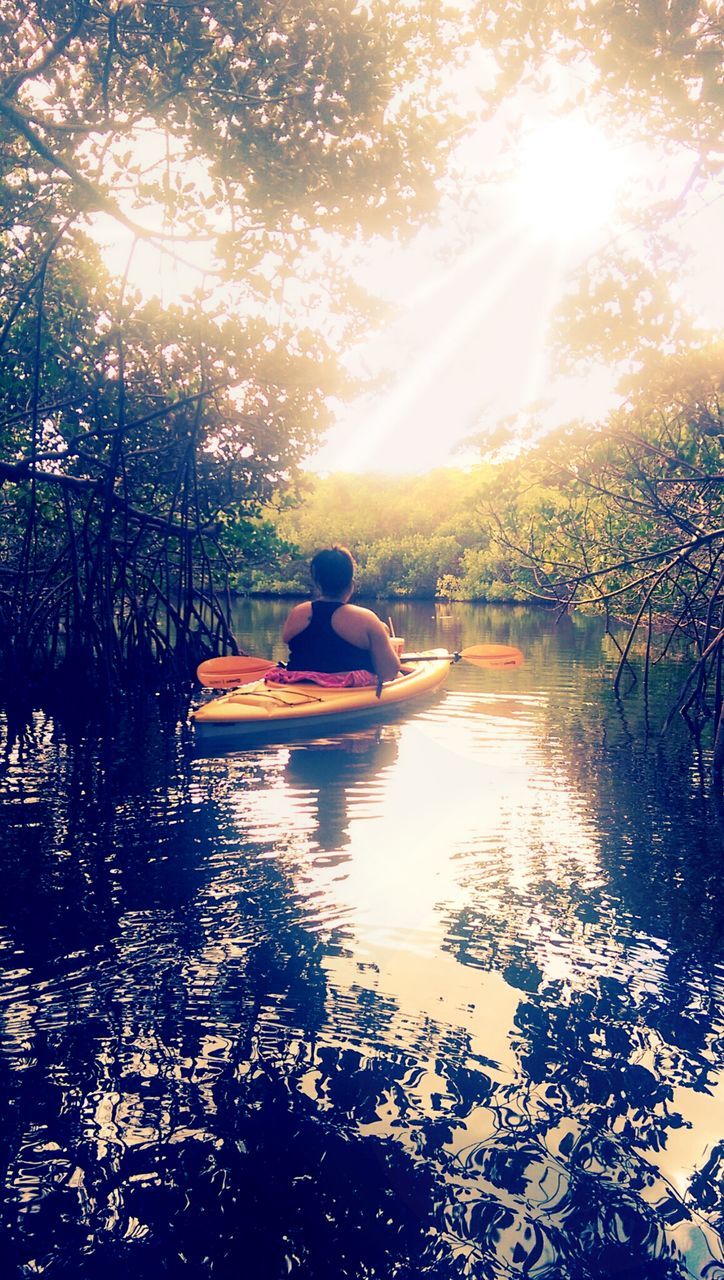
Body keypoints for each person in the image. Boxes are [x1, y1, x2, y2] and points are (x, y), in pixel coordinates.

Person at [281, 546, 401, 683]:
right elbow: (388, 672)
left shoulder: (298, 613)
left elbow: (288, 639)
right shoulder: (366, 619)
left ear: (317, 583)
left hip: (298, 686)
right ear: (351, 584)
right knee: (400, 677)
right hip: (344, 694)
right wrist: (383, 636)